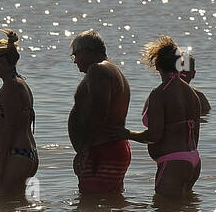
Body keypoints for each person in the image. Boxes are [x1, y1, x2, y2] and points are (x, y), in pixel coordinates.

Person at [126, 37, 203, 197]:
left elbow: (154, 135)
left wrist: (126, 134)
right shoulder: (193, 94)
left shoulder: (159, 94)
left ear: (156, 65)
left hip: (172, 163)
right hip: (194, 160)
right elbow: (195, 136)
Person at [68, 31, 132, 195]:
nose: (74, 61)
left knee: (92, 205)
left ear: (87, 51)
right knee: (109, 204)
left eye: (75, 54)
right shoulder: (112, 70)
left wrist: (85, 150)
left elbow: (99, 110)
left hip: (102, 150)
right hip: (110, 148)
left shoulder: (98, 70)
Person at [0, 30, 38, 200]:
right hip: (24, 154)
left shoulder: (12, 87)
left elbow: (10, 127)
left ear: (4, 61)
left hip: (15, 154)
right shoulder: (19, 83)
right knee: (15, 208)